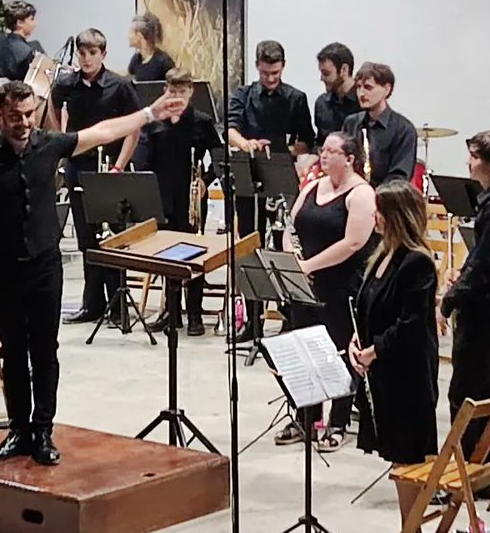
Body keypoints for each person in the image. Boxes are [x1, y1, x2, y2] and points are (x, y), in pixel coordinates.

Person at [0, 80, 187, 466]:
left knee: (45, 351)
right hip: (2, 268)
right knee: (13, 354)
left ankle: (44, 429)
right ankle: (18, 430)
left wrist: (150, 113)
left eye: (29, 115)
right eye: (15, 117)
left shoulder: (49, 145)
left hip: (44, 267)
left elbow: (101, 133)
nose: (24, 123)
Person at [348, 181, 439, 531]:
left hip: (408, 373)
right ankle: (409, 530)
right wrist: (358, 338)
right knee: (396, 452)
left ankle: (411, 532)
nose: (375, 216)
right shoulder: (381, 255)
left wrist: (374, 351)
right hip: (383, 369)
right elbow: (367, 304)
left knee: (406, 453)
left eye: (380, 211)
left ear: (396, 216)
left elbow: (412, 324)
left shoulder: (417, 263)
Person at [284, 132, 376, 451]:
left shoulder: (362, 194)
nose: (323, 156)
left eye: (331, 151)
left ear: (349, 159)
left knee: (338, 352)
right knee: (303, 350)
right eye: (322, 150)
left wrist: (309, 266)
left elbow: (353, 242)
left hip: (341, 284)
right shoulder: (312, 186)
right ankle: (305, 417)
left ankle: (337, 421)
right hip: (305, 282)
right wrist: (294, 261)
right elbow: (291, 226)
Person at [50, 29, 143, 325]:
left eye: (93, 53)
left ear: (103, 54)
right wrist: (64, 141)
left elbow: (134, 127)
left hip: (110, 167)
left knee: (114, 236)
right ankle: (92, 304)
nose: (87, 58)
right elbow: (53, 106)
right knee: (86, 238)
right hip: (81, 165)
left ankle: (117, 308)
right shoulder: (67, 84)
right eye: (82, 53)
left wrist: (119, 166)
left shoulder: (120, 86)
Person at [226, 39, 315, 339]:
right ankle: (253, 322)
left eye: (275, 73)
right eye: (265, 73)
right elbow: (230, 130)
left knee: (284, 249)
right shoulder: (243, 94)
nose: (271, 79)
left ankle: (289, 319)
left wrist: (283, 150)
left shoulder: (296, 98)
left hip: (281, 175)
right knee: (251, 249)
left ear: (283, 68)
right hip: (249, 176)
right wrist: (248, 144)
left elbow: (306, 140)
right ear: (257, 67)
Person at [440, 130, 490, 461]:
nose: (469, 163)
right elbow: (481, 258)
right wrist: (461, 275)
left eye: (474, 157)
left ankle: (471, 469)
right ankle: (485, 463)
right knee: (479, 386)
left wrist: (448, 300)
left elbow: (485, 267)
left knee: (466, 392)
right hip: (485, 304)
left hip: (484, 308)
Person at [137, 67, 221, 335]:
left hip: (192, 198)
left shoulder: (202, 122)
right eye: (172, 91)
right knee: (168, 257)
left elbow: (218, 160)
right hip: (163, 196)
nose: (176, 96)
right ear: (165, 91)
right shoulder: (156, 122)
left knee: (194, 255)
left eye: (182, 91)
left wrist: (205, 182)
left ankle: (194, 314)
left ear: (191, 92)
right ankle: (172, 312)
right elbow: (144, 160)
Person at [343, 62, 418, 188]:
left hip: (386, 202)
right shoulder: (351, 123)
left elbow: (399, 178)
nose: (361, 93)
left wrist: (371, 196)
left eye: (368, 87)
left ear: (386, 89)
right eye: (358, 87)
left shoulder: (404, 130)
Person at [313, 43, 359, 146]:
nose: (321, 78)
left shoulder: (363, 102)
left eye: (326, 73)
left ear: (344, 70)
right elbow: (320, 142)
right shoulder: (322, 103)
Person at [126, 12, 175, 82]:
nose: (128, 36)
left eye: (131, 32)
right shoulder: (136, 59)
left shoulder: (163, 62)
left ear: (139, 35)